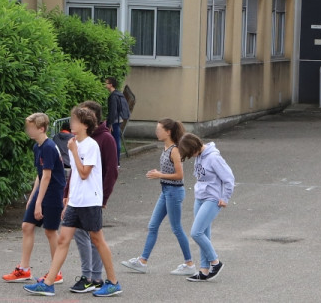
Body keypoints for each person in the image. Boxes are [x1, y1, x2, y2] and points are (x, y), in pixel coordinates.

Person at [24, 106, 122, 297]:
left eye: (75, 121)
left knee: (97, 239)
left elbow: (85, 173)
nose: (71, 124)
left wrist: (75, 152)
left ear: (84, 125)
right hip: (76, 201)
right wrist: (68, 198)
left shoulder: (91, 145)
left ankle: (113, 282)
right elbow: (74, 175)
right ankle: (49, 283)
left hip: (90, 201)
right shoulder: (73, 143)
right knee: (63, 239)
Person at [120, 119, 196, 277]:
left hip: (174, 192)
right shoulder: (166, 147)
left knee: (176, 228)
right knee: (153, 225)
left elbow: (180, 176)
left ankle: (189, 263)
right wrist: (160, 174)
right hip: (166, 191)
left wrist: (159, 174)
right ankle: (142, 261)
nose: (156, 132)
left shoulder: (174, 150)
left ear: (168, 132)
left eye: (159, 129)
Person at [2, 113, 67, 285]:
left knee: (50, 231)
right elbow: (39, 175)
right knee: (27, 226)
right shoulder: (37, 147)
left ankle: (56, 272)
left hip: (53, 193)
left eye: (31, 127)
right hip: (43, 191)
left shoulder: (48, 147)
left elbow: (47, 176)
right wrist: (32, 197)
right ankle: (23, 270)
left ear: (41, 129)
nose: (28, 130)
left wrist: (39, 202)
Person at [67, 100, 120, 294]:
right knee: (74, 236)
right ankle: (86, 275)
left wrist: (103, 198)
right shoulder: (77, 141)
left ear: (91, 119)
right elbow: (74, 170)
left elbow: (111, 171)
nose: (76, 120)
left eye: (83, 115)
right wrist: (67, 194)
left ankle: (97, 277)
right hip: (78, 197)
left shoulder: (104, 139)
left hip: (92, 197)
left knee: (95, 237)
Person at [179, 133, 235, 282]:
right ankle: (204, 271)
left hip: (213, 199)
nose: (191, 156)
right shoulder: (199, 156)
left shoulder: (214, 158)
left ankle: (215, 262)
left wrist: (225, 198)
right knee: (204, 234)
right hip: (200, 198)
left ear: (195, 147)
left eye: (190, 153)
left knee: (196, 233)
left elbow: (229, 178)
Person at [105, 77, 130, 164]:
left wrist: (110, 123)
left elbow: (113, 110)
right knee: (116, 140)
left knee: (115, 141)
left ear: (111, 84)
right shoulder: (119, 94)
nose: (105, 85)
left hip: (114, 121)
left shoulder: (113, 96)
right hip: (119, 119)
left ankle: (116, 161)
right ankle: (116, 161)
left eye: (106, 83)